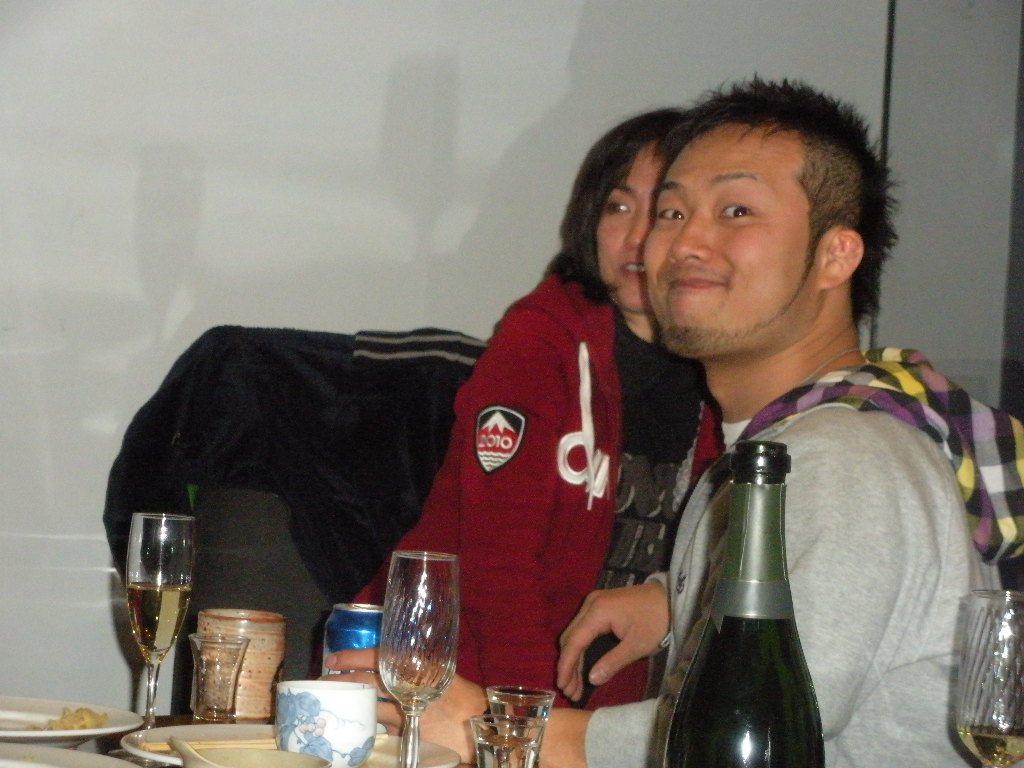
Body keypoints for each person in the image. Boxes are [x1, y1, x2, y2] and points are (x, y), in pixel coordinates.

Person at [333, 78, 1024, 768]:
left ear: (835, 255)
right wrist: (676, 595)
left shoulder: (841, 458)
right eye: (672, 212)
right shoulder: (774, 450)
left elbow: (752, 732)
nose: (684, 240)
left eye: (736, 210)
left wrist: (493, 726)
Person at [348, 109, 722, 708]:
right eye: (617, 207)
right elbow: (497, 569)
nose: (634, 238)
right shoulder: (538, 342)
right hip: (452, 685)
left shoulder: (728, 368)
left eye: (662, 212)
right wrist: (527, 724)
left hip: (616, 715)